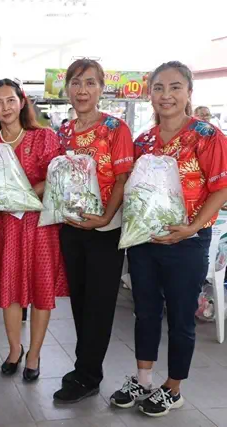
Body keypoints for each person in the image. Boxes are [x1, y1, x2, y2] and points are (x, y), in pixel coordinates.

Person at [110, 61, 227, 417]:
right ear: (150, 94)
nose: (166, 95)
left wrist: (192, 228)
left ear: (189, 92)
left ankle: (173, 387)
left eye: (175, 87)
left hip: (187, 243)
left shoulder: (207, 136)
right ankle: (143, 379)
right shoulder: (143, 141)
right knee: (145, 311)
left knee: (180, 317)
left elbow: (221, 188)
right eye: (159, 88)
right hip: (144, 241)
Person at [52, 59, 134, 403]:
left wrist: (104, 218)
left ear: (101, 89)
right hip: (71, 227)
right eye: (75, 83)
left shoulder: (116, 128)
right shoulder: (64, 131)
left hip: (105, 229)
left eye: (89, 83)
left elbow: (122, 178)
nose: (82, 90)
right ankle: (83, 368)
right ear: (67, 89)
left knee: (99, 304)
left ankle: (88, 375)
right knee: (81, 301)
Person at [0, 78, 68, 382]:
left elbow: (56, 176)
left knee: (41, 289)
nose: (4, 107)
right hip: (6, 227)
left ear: (21, 102)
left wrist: (23, 195)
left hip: (40, 226)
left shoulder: (44, 137)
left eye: (10, 100)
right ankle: (14, 350)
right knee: (10, 291)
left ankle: (34, 354)